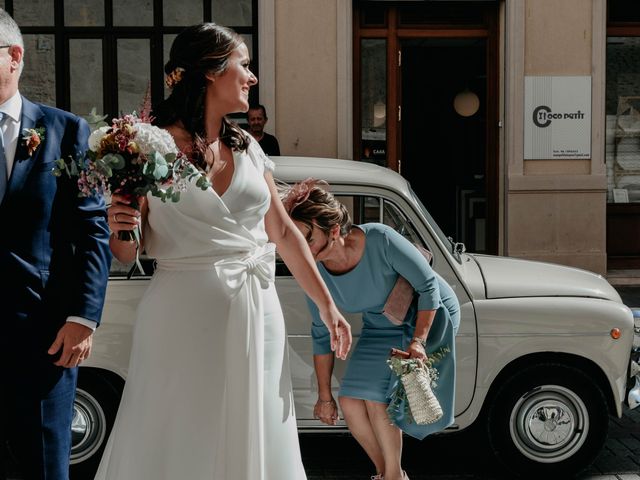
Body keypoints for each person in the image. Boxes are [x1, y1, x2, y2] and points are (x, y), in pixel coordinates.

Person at [95, 23, 352, 480]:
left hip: (258, 311)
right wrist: (122, 225)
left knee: (258, 429)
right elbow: (124, 252)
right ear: (211, 71)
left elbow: (285, 234)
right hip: (180, 318)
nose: (252, 77)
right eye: (245, 64)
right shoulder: (144, 145)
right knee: (178, 431)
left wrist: (328, 306)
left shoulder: (249, 146)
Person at [282, 179, 460, 480]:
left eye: (307, 240)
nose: (302, 249)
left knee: (378, 399)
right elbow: (321, 333)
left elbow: (429, 286)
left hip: (425, 315)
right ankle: (389, 473)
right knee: (351, 402)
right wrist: (325, 397)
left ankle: (391, 476)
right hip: (381, 324)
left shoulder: (380, 239)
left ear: (334, 231)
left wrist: (418, 342)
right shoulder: (313, 275)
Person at [0, 8, 112, 480]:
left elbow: (92, 230)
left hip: (44, 334)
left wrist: (83, 317)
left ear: (14, 57)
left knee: (44, 467)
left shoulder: (65, 132)